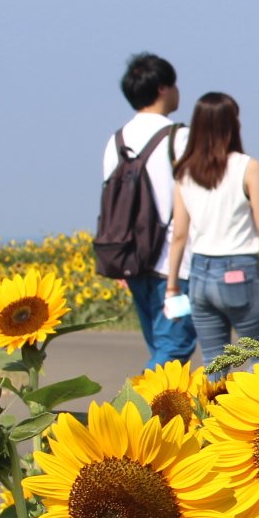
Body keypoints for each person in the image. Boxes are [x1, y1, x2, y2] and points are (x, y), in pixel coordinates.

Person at [165, 92, 259, 366]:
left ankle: (212, 410)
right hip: (239, 272)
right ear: (232, 124)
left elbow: (179, 235)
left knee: (215, 363)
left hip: (199, 276)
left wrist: (172, 286)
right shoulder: (249, 168)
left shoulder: (185, 171)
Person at [103, 53, 197, 368]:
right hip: (175, 266)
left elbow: (111, 206)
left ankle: (152, 411)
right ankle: (138, 410)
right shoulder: (180, 138)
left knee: (160, 345)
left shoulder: (115, 141)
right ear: (162, 88)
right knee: (174, 347)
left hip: (133, 263)